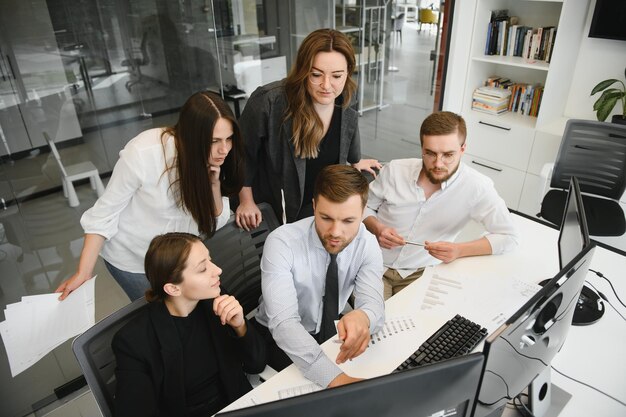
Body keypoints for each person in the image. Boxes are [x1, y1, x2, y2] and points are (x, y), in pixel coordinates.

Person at [55, 91, 244, 301]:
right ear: (191, 136)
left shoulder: (217, 159)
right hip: (134, 259)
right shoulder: (145, 153)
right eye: (214, 140)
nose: (224, 149)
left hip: (178, 259)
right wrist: (83, 272)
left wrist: (214, 185)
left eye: (229, 139)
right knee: (159, 315)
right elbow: (103, 215)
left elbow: (214, 223)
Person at [253, 165, 385, 388]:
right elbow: (284, 324)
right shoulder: (282, 242)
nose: (335, 232)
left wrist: (364, 316)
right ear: (314, 206)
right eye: (326, 217)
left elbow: (374, 304)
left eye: (348, 221)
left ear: (362, 214)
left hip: (330, 331)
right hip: (279, 336)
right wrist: (335, 379)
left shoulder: (367, 243)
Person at [235, 28, 381, 230]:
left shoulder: (348, 94)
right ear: (303, 70)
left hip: (321, 203)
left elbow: (349, 132)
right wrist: (246, 200)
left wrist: (355, 161)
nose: (326, 85)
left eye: (337, 76)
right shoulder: (268, 101)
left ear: (348, 71)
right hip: (279, 203)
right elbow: (242, 154)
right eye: (316, 74)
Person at [363, 111, 519, 299]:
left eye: (448, 155)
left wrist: (459, 250)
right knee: (374, 322)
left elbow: (508, 237)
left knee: (418, 325)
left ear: (463, 149)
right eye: (430, 153)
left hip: (421, 273)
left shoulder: (477, 187)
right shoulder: (394, 171)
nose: (438, 163)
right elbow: (363, 207)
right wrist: (377, 227)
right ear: (422, 148)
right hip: (372, 263)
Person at [112, 233, 266, 417]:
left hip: (239, 405)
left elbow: (257, 364)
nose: (217, 270)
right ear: (173, 288)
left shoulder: (215, 300)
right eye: (202, 268)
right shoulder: (133, 343)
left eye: (210, 260)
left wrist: (240, 326)